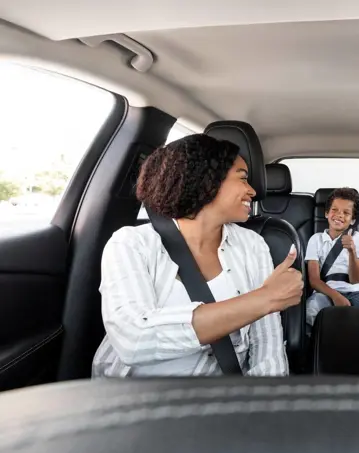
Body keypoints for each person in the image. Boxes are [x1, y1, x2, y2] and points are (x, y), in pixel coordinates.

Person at [92, 134, 302, 378]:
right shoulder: (131, 243)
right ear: (207, 180)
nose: (252, 190)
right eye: (243, 178)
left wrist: (264, 405)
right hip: (135, 399)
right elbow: (134, 339)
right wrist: (265, 299)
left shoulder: (252, 245)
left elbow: (267, 347)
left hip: (217, 399)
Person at [305, 187, 359, 332]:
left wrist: (352, 251)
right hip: (325, 291)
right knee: (310, 311)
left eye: (346, 213)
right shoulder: (316, 240)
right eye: (334, 210)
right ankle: (307, 353)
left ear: (353, 219)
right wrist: (336, 296)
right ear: (326, 213)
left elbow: (355, 279)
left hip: (355, 290)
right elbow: (314, 280)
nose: (339, 215)